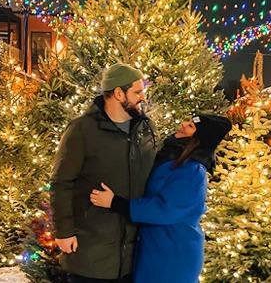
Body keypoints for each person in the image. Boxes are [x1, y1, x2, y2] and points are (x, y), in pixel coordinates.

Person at [90, 114, 232, 283]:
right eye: (187, 120)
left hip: (173, 256)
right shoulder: (172, 156)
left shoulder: (193, 171)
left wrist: (115, 203)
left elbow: (165, 209)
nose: (183, 124)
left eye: (191, 126)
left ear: (200, 138)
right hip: (159, 248)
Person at [50, 63, 157, 283]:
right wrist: (64, 231)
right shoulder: (82, 130)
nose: (143, 98)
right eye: (137, 92)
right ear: (118, 93)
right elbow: (61, 182)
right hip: (91, 253)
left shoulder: (146, 129)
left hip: (131, 256)